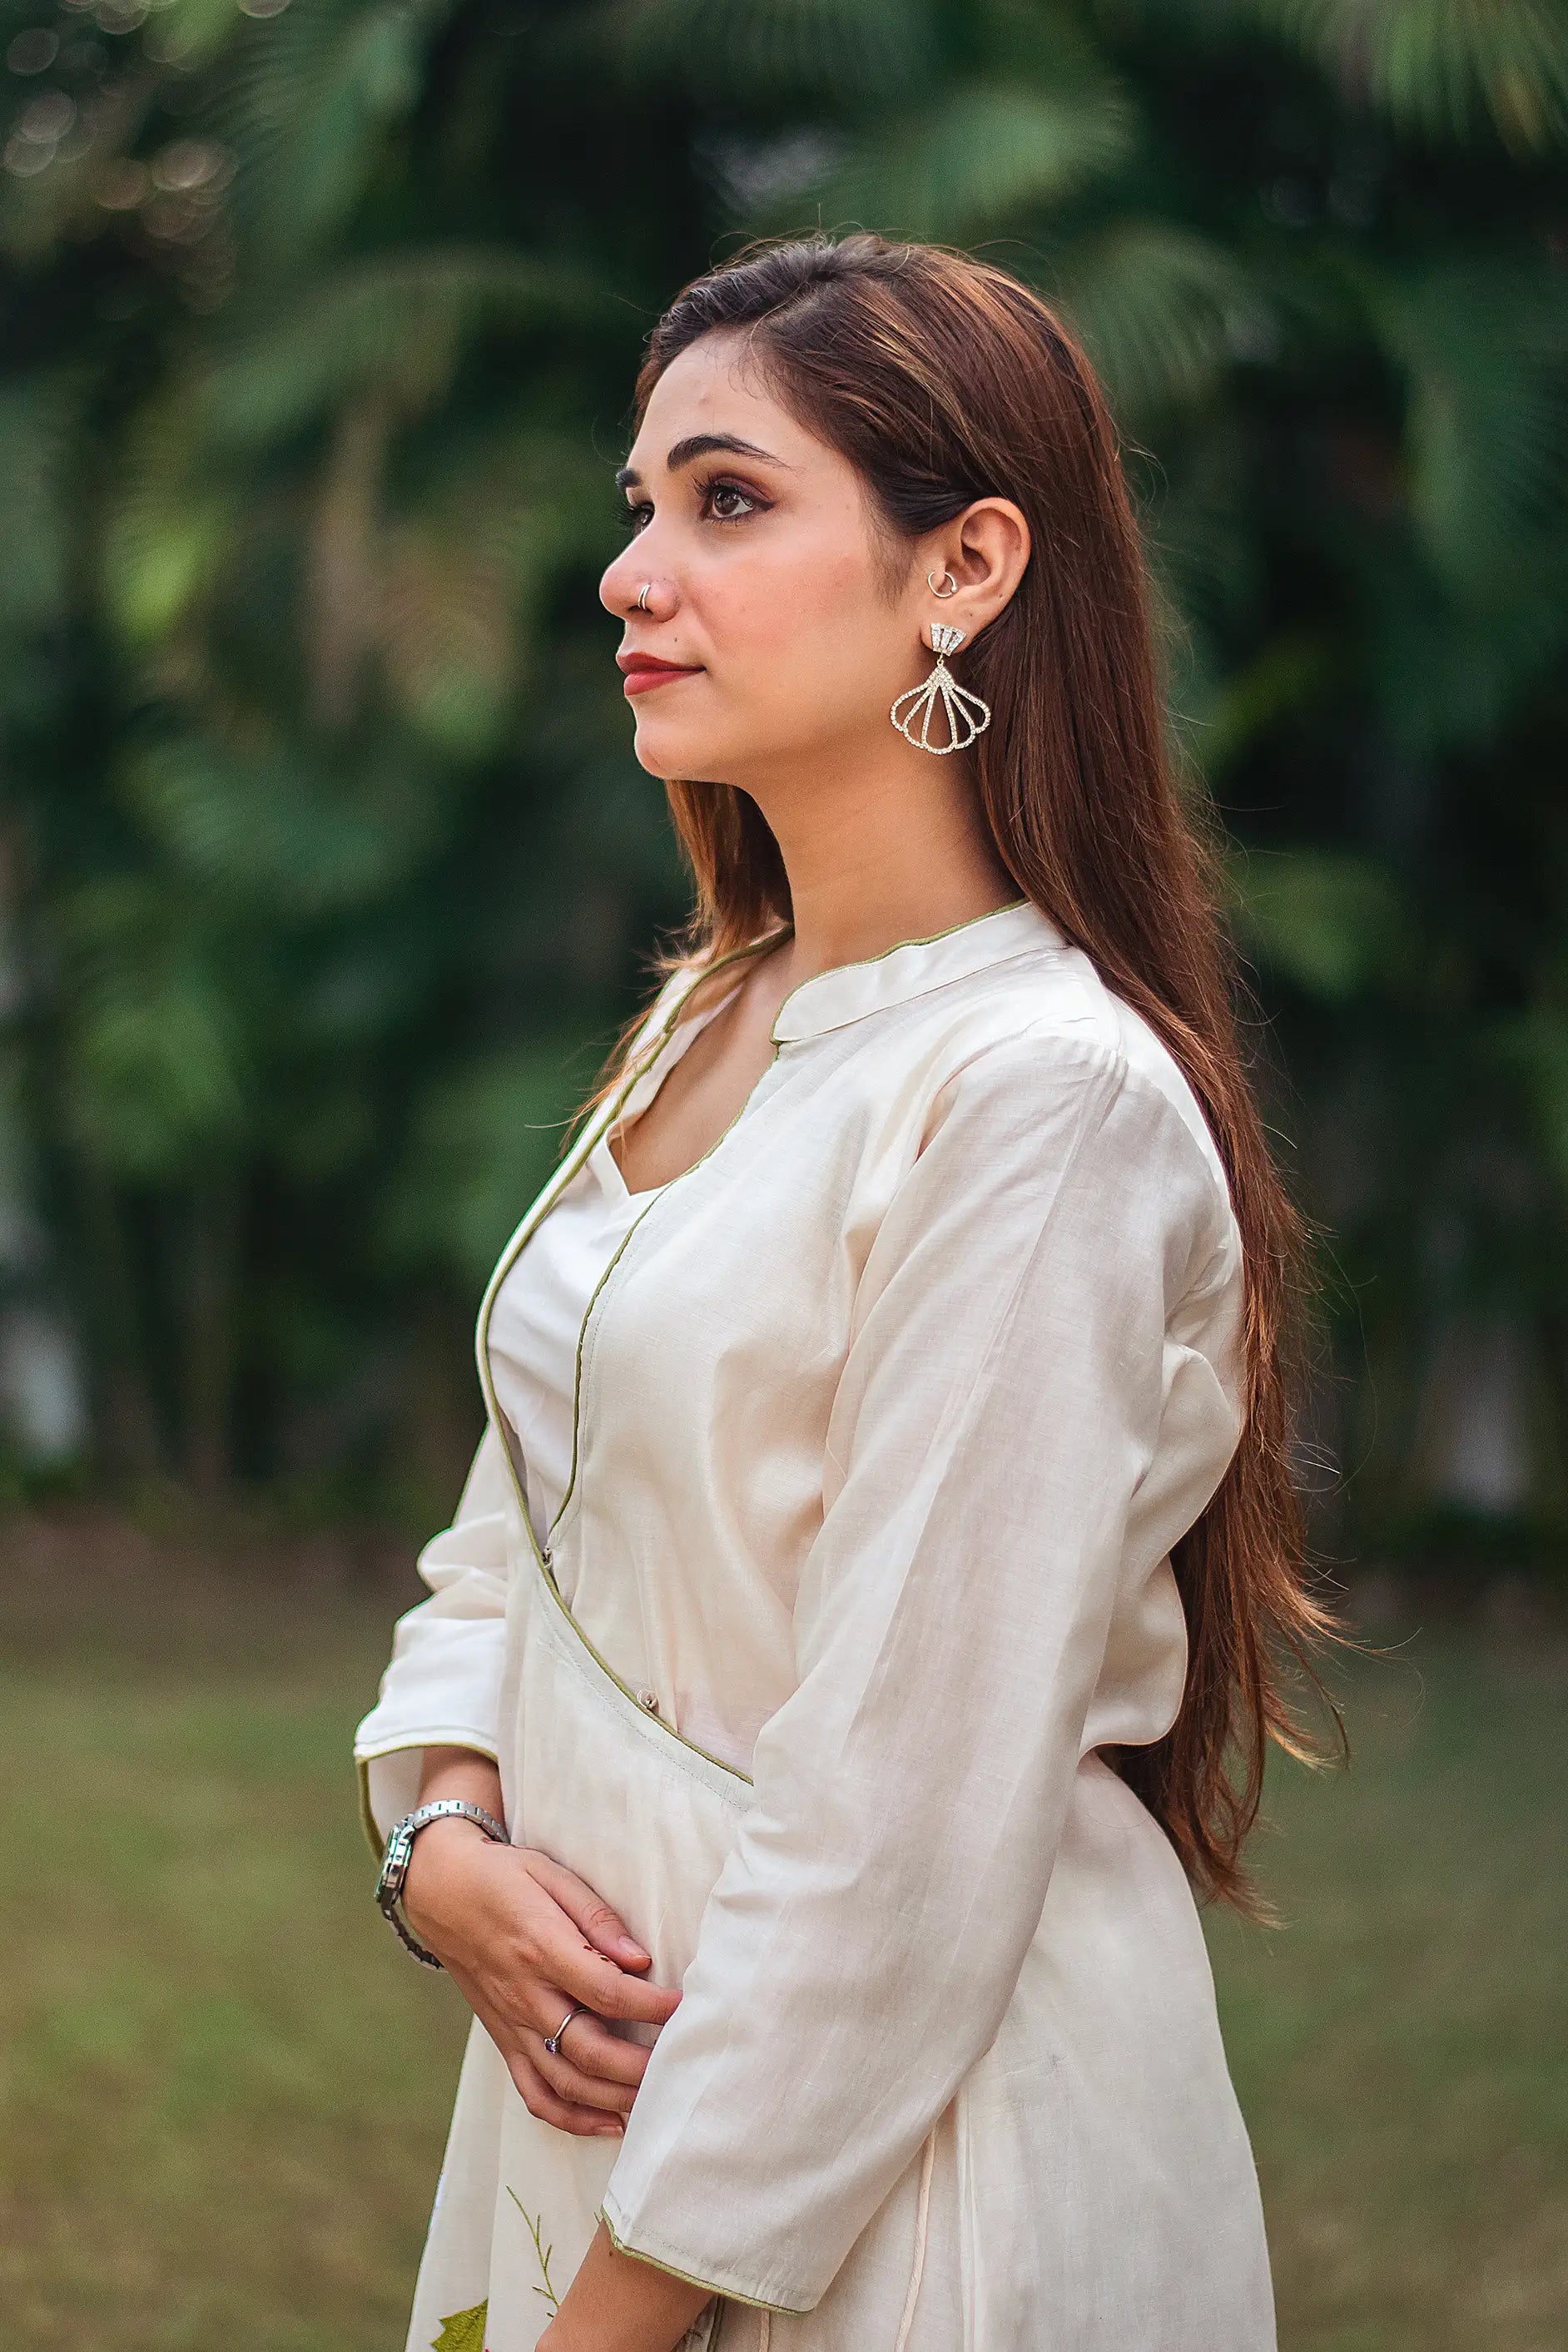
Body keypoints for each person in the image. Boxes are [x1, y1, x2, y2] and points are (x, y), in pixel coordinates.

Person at [353, 231, 1340, 2352]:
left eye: (728, 500)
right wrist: (438, 1834)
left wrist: (609, 2326)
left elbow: (906, 1830)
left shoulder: (1039, 1101)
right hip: (592, 2102)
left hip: (909, 2192)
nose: (633, 574)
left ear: (964, 566)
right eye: (642, 509)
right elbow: (522, 1518)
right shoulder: (708, 1015)